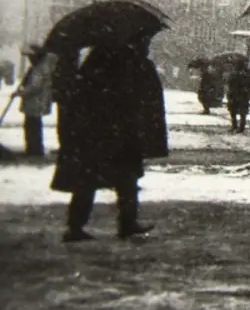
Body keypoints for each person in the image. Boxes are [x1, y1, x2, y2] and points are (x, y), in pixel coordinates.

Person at [50, 34, 168, 243]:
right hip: (122, 134)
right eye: (145, 42)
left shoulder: (95, 62)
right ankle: (126, 223)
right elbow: (146, 99)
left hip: (95, 134)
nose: (147, 46)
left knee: (88, 180)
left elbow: (80, 96)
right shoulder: (134, 64)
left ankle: (76, 226)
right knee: (126, 180)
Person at [14, 44, 56, 156]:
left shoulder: (39, 68)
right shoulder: (39, 67)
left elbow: (34, 86)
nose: (29, 58)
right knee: (33, 126)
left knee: (32, 126)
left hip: (35, 102)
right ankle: (34, 148)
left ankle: (34, 150)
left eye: (30, 56)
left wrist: (20, 93)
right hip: (36, 102)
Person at [226, 59, 250, 133]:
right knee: (242, 112)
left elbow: (229, 83)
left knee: (233, 111)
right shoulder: (248, 75)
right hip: (243, 95)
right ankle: (241, 126)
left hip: (235, 94)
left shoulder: (233, 74)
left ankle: (235, 125)